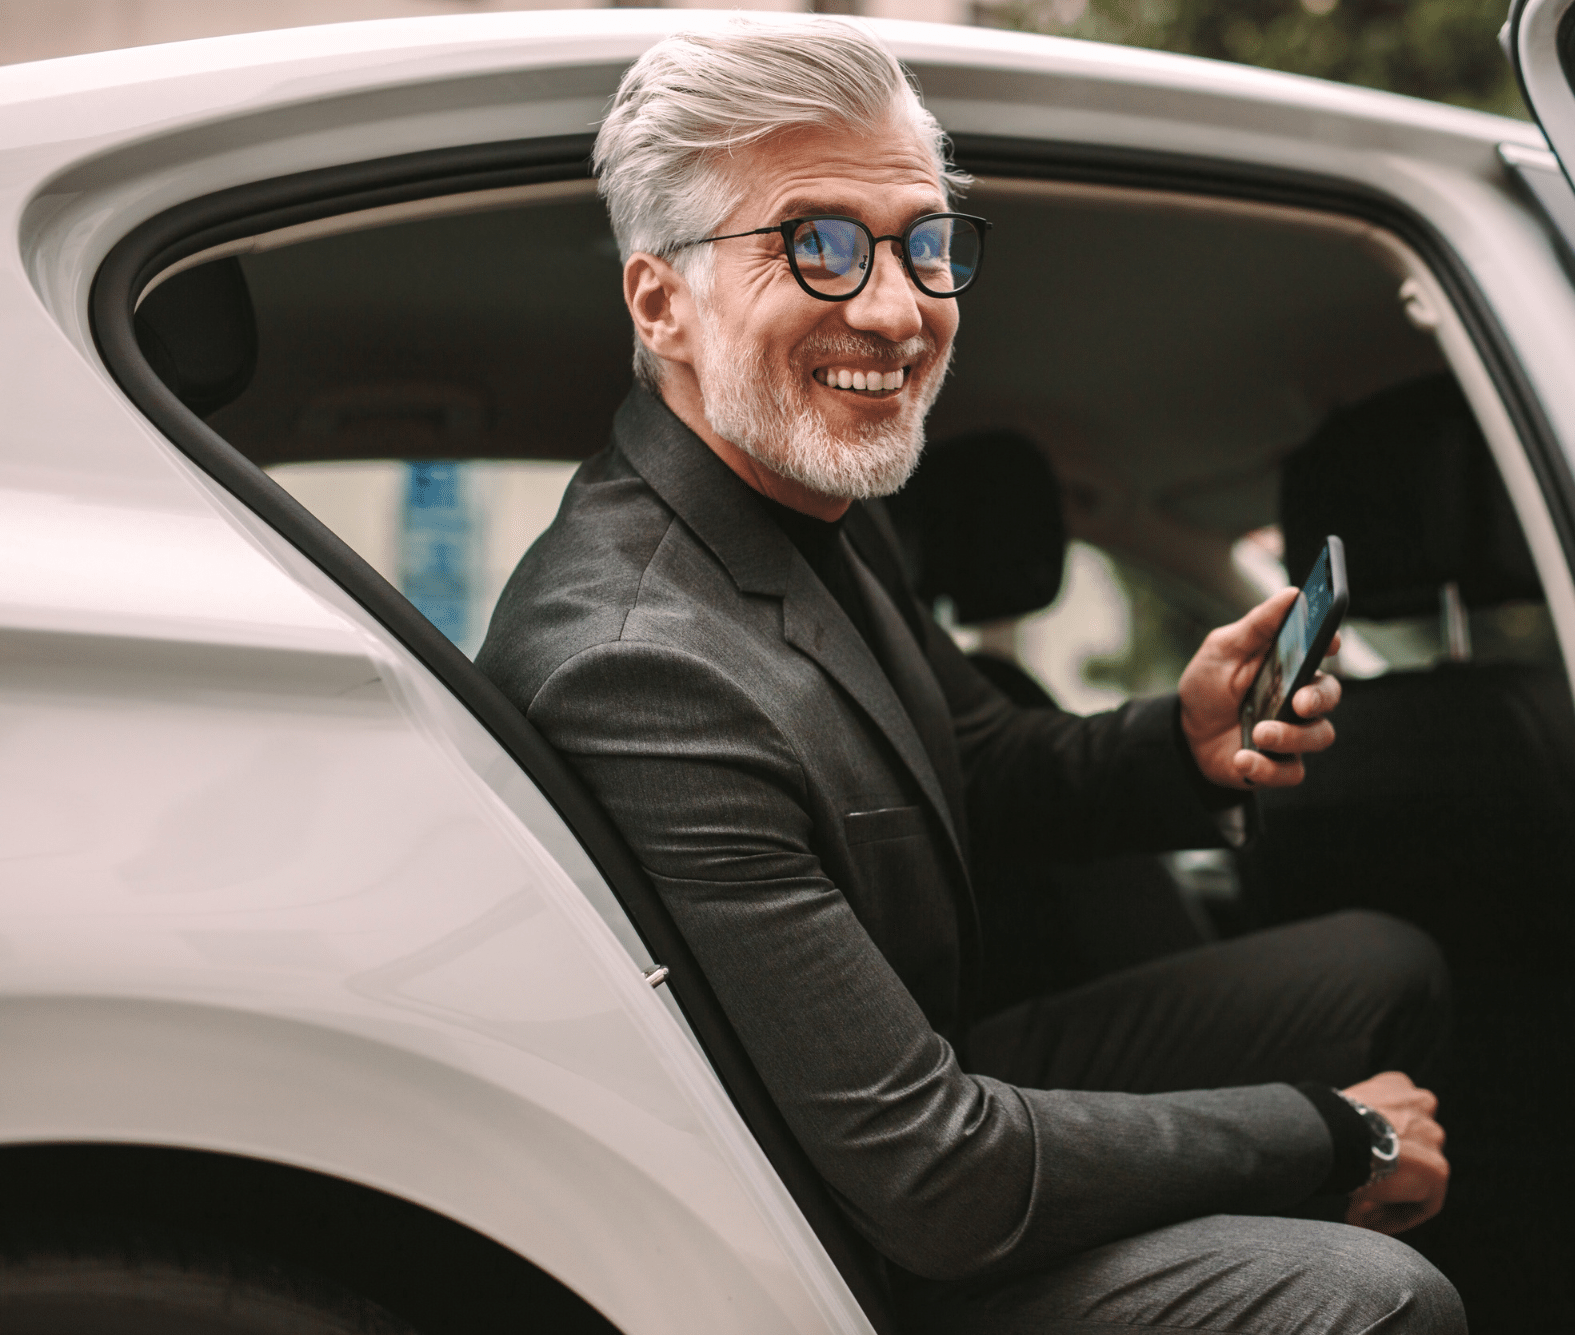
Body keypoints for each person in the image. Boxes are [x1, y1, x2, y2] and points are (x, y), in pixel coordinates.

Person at [479, 17, 1461, 1334]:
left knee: (1377, 966)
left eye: (923, 242)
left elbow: (970, 759)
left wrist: (1179, 743)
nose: (895, 306)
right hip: (828, 1240)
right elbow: (931, 1175)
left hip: (912, 1092)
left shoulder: (813, 502)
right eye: (816, 245)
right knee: (1374, 1299)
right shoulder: (638, 666)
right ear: (662, 303)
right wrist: (1331, 1138)